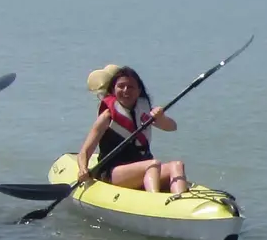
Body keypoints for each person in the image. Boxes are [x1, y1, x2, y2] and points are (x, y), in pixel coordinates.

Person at [78, 64, 189, 193]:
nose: (126, 90)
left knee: (177, 165)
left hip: (144, 168)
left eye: (131, 87)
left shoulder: (145, 112)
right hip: (113, 171)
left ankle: (180, 198)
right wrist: (83, 169)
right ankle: (154, 202)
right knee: (153, 164)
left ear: (139, 90)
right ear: (113, 90)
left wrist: (161, 117)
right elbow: (85, 151)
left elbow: (172, 127)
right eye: (121, 86)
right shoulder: (107, 116)